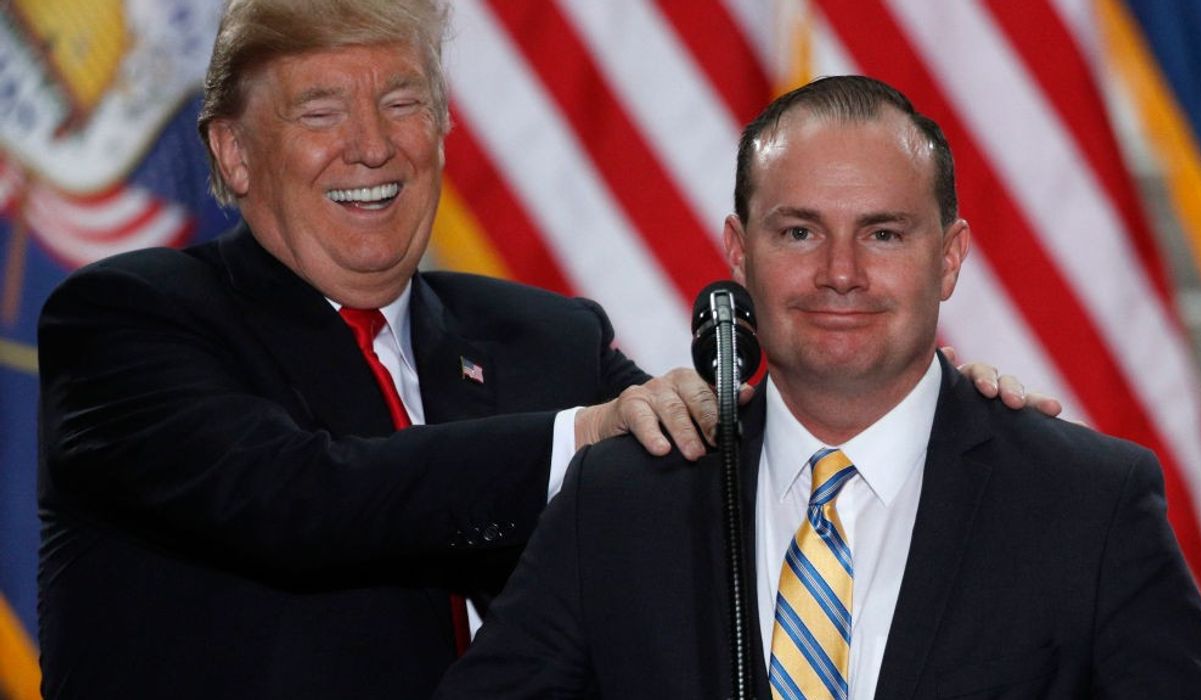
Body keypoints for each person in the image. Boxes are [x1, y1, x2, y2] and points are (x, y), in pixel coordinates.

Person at [34, 1, 1057, 696]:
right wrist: (580, 439)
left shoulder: (545, 338)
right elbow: (299, 495)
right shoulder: (127, 322)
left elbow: (735, 489)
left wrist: (907, 420)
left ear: (439, 130)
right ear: (231, 152)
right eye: (319, 110)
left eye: (402, 101)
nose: (372, 144)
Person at [434, 76, 1201, 699]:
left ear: (950, 257)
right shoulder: (620, 498)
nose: (840, 275)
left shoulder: (1086, 505)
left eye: (883, 234)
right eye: (798, 232)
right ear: (737, 252)